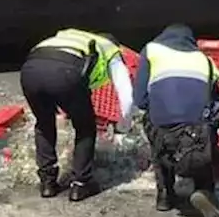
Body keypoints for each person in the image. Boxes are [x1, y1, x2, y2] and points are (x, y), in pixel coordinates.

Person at [19, 28, 134, 202]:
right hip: (64, 73)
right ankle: (81, 183)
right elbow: (126, 94)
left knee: (44, 123)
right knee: (86, 127)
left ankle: (47, 182)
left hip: (30, 70)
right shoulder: (111, 51)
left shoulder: (72, 37)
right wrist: (123, 127)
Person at [134, 24, 219, 217]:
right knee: (204, 141)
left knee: (159, 140)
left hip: (163, 127)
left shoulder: (151, 50)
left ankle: (165, 195)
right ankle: (204, 190)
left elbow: (140, 99)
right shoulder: (205, 60)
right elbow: (216, 105)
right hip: (196, 130)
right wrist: (211, 135)